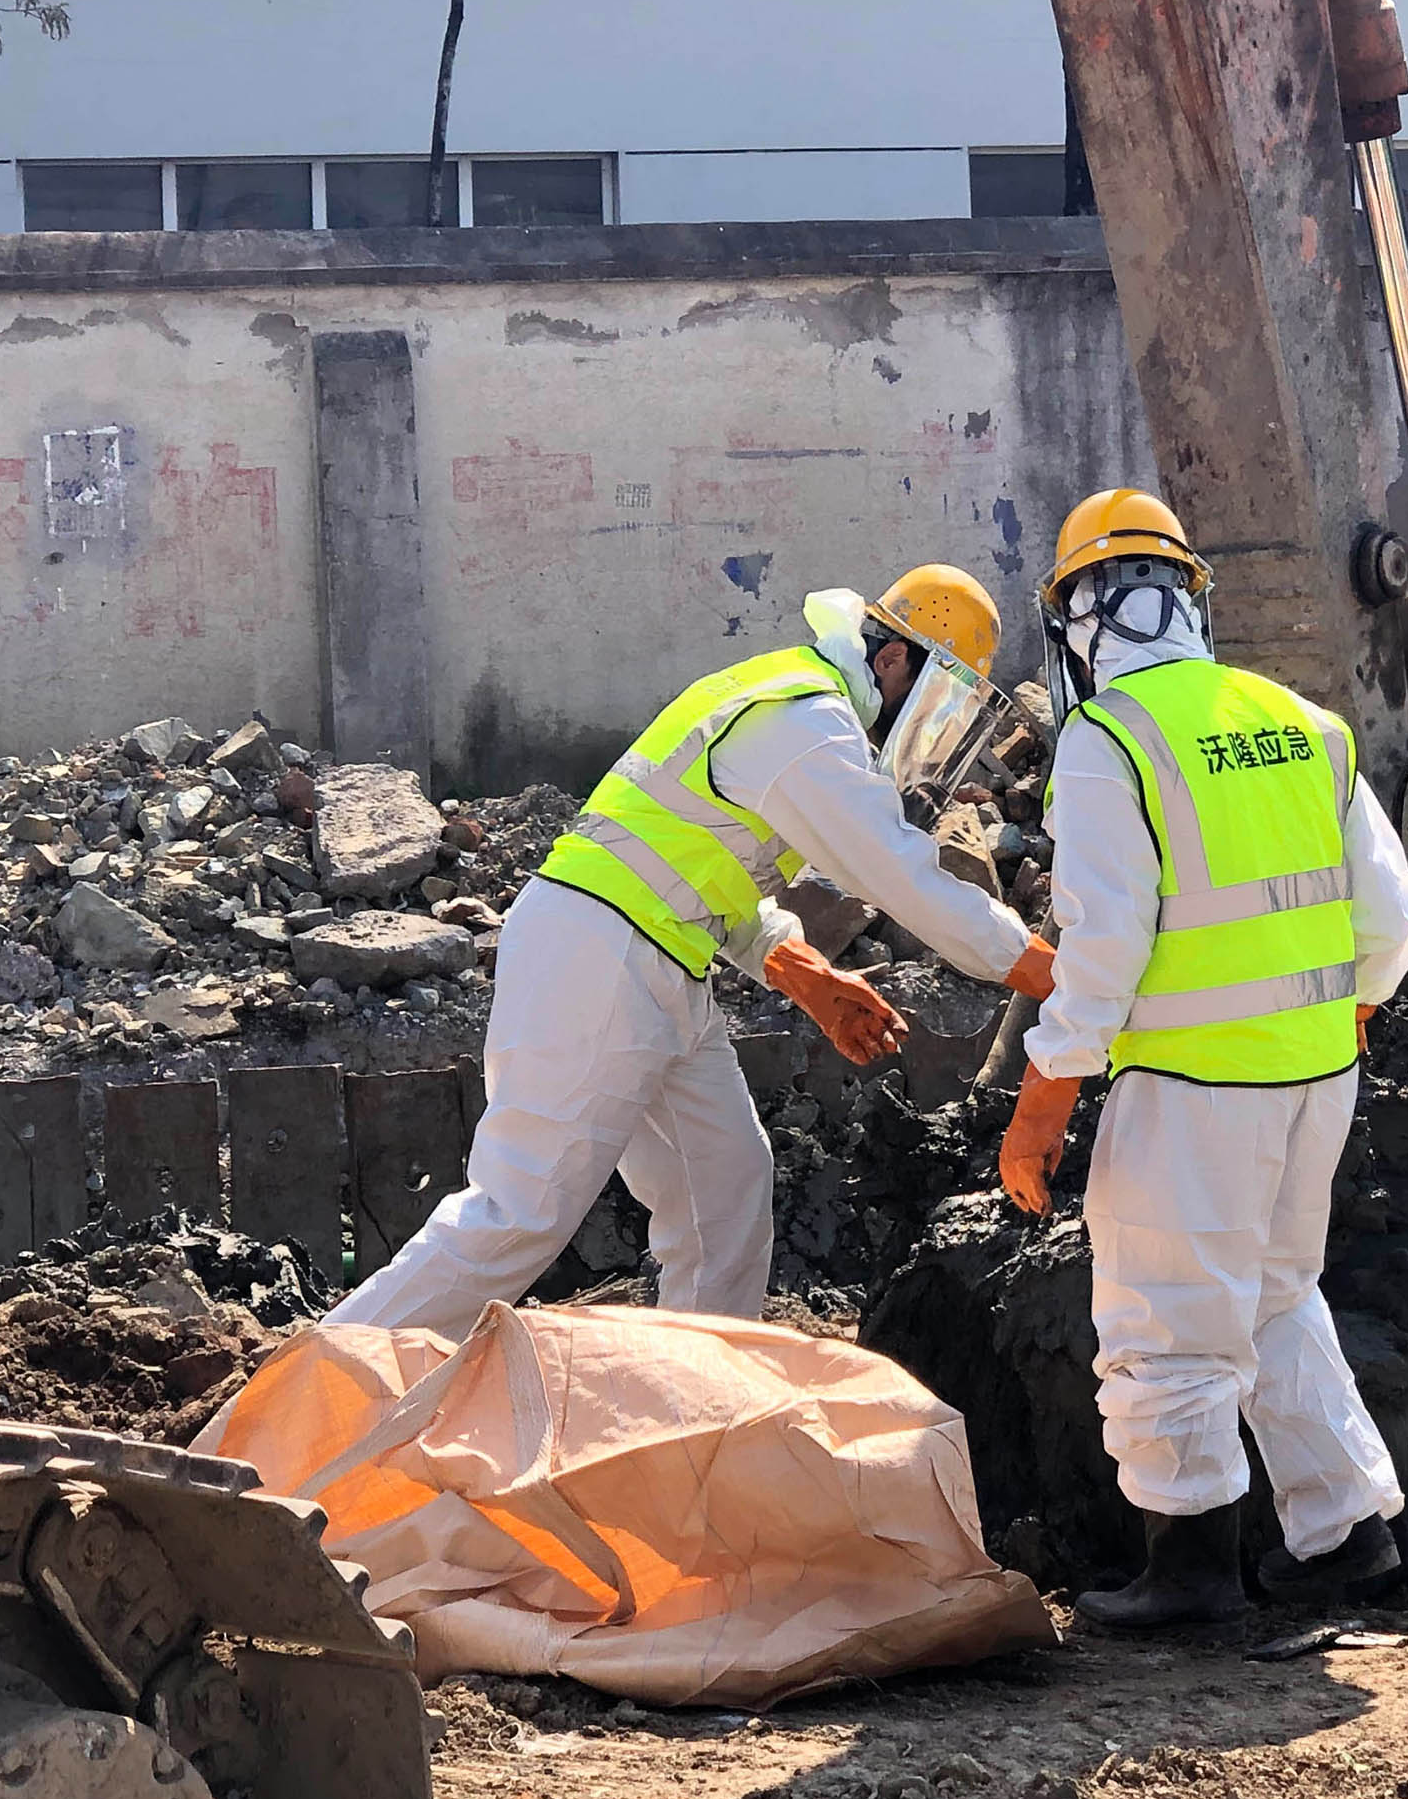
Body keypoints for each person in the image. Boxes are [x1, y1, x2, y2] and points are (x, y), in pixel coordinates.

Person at [333, 567, 1056, 1335]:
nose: (932, 734)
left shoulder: (788, 696)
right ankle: (315, 1386)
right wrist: (1051, 972)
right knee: (518, 1213)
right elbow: (899, 873)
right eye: (939, 703)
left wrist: (801, 969)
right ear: (891, 660)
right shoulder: (810, 722)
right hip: (602, 958)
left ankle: (695, 1397)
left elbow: (701, 871)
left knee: (724, 1190)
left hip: (649, 955)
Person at [998, 490, 1408, 1625]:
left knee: (1164, 1318)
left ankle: (1188, 1569)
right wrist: (1348, 1008)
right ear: (1190, 594)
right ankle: (1348, 1533)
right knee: (1277, 1297)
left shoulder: (1108, 739)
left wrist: (1042, 1105)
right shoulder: (1303, 721)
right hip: (1315, 1076)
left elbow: (1102, 949)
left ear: (1076, 613)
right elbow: (1392, 919)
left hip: (1190, 1086)